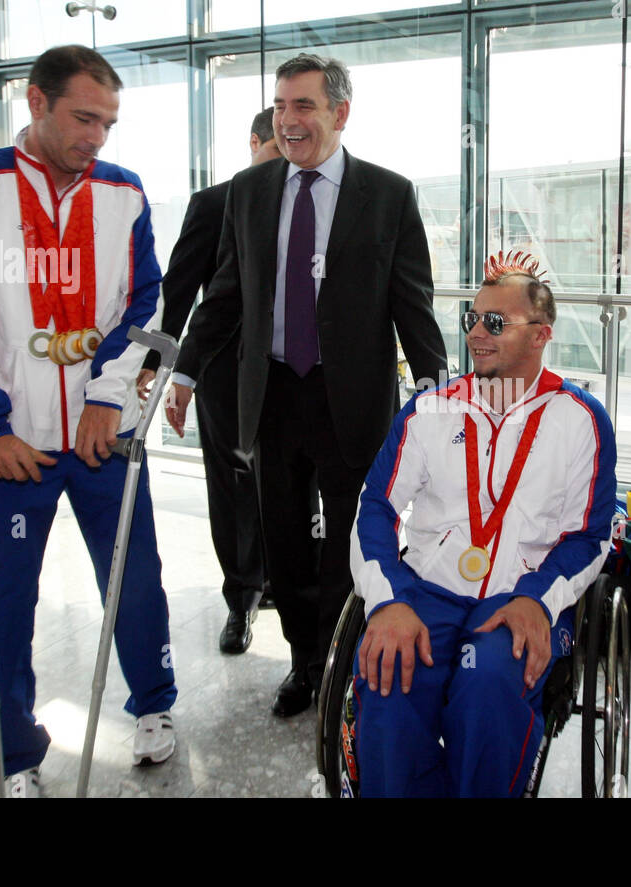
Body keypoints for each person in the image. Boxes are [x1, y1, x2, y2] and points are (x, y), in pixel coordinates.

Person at [0, 45, 178, 797]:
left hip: (105, 437)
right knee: (4, 603)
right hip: (15, 446)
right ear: (36, 101)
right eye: (83, 118)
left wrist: (109, 398)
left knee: (135, 581)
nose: (97, 137)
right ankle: (14, 753)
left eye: (108, 123)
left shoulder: (124, 192)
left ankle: (156, 706)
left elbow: (147, 306)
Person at [178, 53, 447, 717]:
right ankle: (303, 660)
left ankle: (343, 660)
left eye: (304, 106)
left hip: (349, 396)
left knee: (353, 540)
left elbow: (412, 301)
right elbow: (229, 293)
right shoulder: (251, 191)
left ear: (340, 114)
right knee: (286, 539)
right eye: (280, 107)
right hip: (270, 395)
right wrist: (184, 368)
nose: (289, 119)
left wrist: (438, 388)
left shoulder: (387, 194)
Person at [348, 252, 617, 797]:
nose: (476, 332)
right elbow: (375, 507)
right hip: (426, 591)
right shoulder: (429, 409)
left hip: (522, 595)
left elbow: (591, 533)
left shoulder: (581, 418)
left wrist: (539, 600)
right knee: (388, 677)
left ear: (541, 334)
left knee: (490, 683)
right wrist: (388, 601)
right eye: (471, 318)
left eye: (495, 321)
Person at [135, 107, 282, 655]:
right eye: (273, 152)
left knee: (287, 487)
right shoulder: (216, 202)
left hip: (290, 377)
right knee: (232, 489)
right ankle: (241, 597)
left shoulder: (308, 202)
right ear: (254, 143)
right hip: (224, 374)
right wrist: (157, 364)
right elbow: (180, 288)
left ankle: (281, 585)